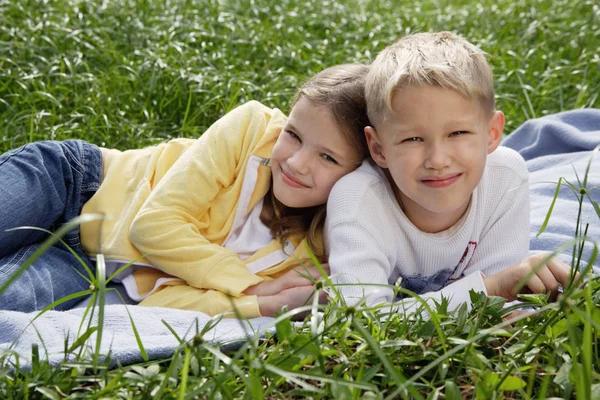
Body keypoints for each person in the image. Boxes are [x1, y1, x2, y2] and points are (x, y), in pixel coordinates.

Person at [0, 63, 370, 318]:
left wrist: (264, 307)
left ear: (359, 175)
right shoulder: (252, 129)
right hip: (73, 182)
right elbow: (153, 225)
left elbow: (164, 300)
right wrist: (252, 289)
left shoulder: (309, 256)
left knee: (9, 298)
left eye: (327, 157)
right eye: (293, 135)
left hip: (89, 264)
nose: (297, 163)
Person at [325, 32, 575, 313]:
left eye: (457, 132)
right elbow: (360, 323)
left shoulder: (505, 177)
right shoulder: (357, 200)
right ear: (379, 148)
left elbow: (496, 308)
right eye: (413, 139)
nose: (438, 160)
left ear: (492, 134)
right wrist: (490, 289)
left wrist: (496, 298)